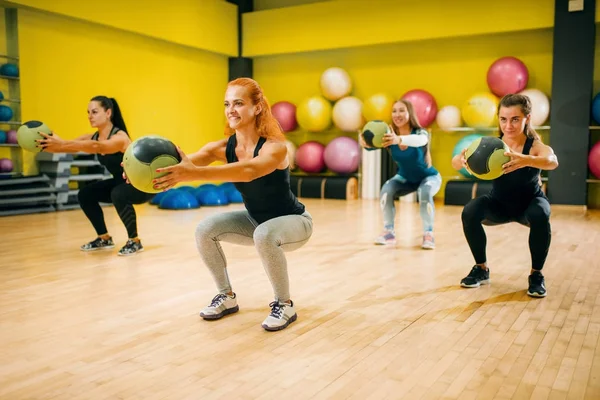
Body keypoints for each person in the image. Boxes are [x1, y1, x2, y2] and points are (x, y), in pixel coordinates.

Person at [150, 77, 313, 332]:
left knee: (265, 234)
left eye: (238, 103)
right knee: (205, 229)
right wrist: (143, 175)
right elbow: (182, 166)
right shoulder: (221, 147)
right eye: (227, 104)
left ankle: (285, 303)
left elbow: (248, 171)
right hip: (256, 221)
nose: (231, 110)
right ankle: (226, 297)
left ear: (257, 107)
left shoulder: (275, 147)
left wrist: (192, 174)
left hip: (295, 222)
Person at [451, 93, 559, 297]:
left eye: (515, 119)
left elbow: (552, 161)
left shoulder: (534, 147)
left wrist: (526, 160)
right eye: (503, 119)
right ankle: (481, 269)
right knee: (470, 211)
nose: (508, 125)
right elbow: (456, 161)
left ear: (527, 118)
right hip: (499, 204)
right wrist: (462, 160)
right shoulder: (492, 145)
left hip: (529, 204)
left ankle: (536, 275)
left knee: (541, 213)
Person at [38, 96, 153, 256]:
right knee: (86, 194)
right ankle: (104, 238)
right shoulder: (90, 137)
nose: (90, 116)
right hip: (122, 183)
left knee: (118, 193)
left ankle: (134, 241)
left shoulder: (120, 137)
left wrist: (62, 143)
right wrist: (44, 142)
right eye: (88, 112)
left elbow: (98, 147)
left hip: (141, 185)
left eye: (94, 112)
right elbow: (65, 146)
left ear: (108, 113)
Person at [359, 99, 442, 249]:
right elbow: (372, 146)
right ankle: (388, 233)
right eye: (394, 111)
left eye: (402, 110)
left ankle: (428, 234)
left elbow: (421, 140)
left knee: (425, 191)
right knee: (386, 190)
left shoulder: (419, 132)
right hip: (406, 179)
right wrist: (365, 144)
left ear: (410, 113)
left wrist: (399, 139)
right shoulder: (389, 135)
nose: (397, 114)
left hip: (428, 177)